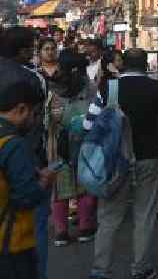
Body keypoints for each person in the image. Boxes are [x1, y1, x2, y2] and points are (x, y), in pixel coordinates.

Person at [85, 48, 158, 279]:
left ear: (123, 66)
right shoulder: (157, 88)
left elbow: (89, 125)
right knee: (144, 214)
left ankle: (101, 269)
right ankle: (140, 267)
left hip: (115, 161)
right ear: (145, 65)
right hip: (149, 158)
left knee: (109, 216)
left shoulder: (109, 88)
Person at [3, 27, 50, 279]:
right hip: (26, 161)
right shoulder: (31, 79)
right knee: (33, 226)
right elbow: (35, 125)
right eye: (32, 48)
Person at [45, 51, 97, 246]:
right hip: (80, 143)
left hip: (58, 145)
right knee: (83, 186)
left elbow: (44, 119)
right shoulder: (88, 87)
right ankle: (83, 228)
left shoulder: (51, 88)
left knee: (61, 189)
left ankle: (63, 231)